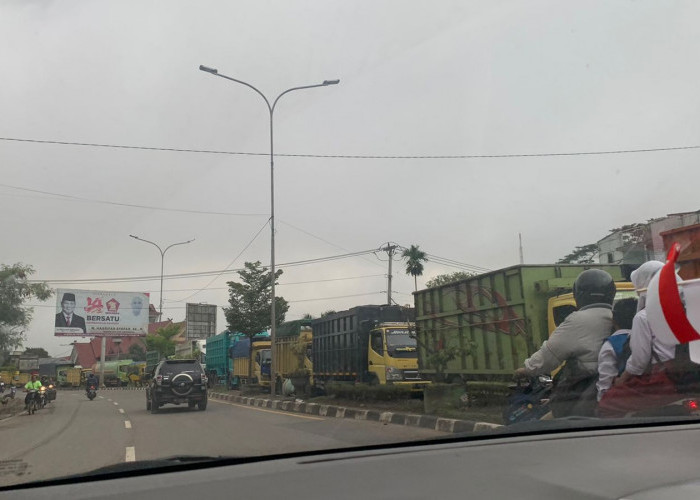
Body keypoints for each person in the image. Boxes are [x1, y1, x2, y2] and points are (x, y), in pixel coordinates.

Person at [515, 269, 615, 417]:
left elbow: (550, 354)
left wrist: (526, 369)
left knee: (540, 425)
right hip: (619, 390)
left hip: (585, 393)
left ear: (578, 294)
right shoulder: (618, 314)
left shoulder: (577, 320)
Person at [598, 261, 680, 417]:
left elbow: (639, 362)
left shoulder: (644, 316)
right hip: (691, 378)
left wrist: (622, 379)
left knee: (607, 404)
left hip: (663, 381)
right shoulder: (688, 307)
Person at [596, 298, 637, 402]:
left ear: (613, 319)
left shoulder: (610, 345)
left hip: (621, 403)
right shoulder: (648, 339)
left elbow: (605, 385)